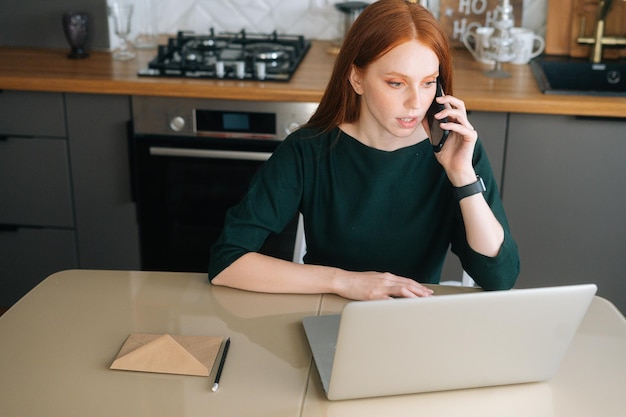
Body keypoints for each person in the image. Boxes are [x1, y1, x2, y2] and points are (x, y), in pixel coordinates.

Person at [208, 0, 520, 300]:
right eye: (396, 83)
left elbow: (500, 278)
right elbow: (228, 262)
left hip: (413, 322)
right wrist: (343, 281)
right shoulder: (308, 150)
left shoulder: (457, 151)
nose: (415, 103)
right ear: (357, 78)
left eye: (428, 83)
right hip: (325, 312)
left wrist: (461, 175)